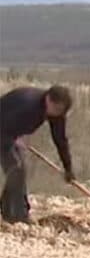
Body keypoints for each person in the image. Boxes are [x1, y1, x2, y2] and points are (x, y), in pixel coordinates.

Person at [1, 85, 75, 223]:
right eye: (57, 109)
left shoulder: (56, 113)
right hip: (3, 131)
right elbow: (4, 126)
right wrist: (14, 139)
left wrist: (68, 168)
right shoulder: (28, 105)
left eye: (62, 111)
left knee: (19, 170)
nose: (59, 114)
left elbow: (60, 140)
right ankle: (18, 215)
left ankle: (9, 210)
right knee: (16, 169)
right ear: (49, 100)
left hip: (10, 132)